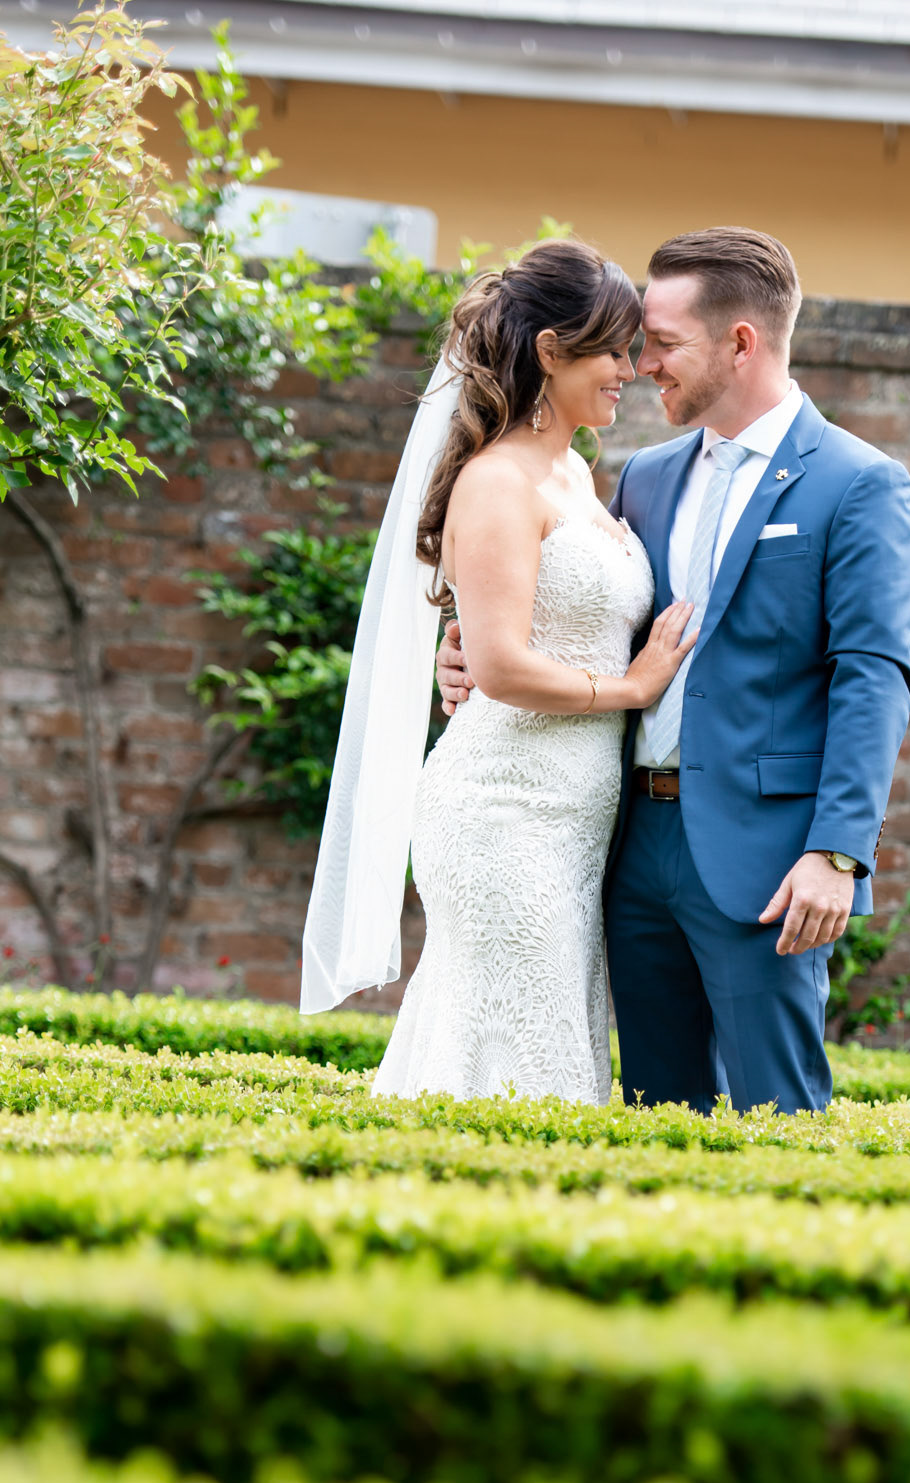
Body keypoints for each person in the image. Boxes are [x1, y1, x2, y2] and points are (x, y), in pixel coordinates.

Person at [437, 226, 910, 1114]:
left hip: (765, 860)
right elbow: (582, 615)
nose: (640, 363)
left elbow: (873, 675)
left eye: (661, 343)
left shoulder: (859, 483)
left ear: (739, 342)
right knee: (652, 1115)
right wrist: (468, 646)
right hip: (623, 844)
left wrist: (838, 853)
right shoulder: (642, 479)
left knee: (777, 1115)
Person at [299, 237, 696, 1101]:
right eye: (612, 350)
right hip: (501, 812)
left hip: (578, 818)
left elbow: (537, 622)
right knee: (522, 1053)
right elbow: (505, 665)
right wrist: (629, 690)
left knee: (549, 1037)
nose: (631, 368)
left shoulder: (582, 476)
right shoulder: (497, 480)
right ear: (551, 352)